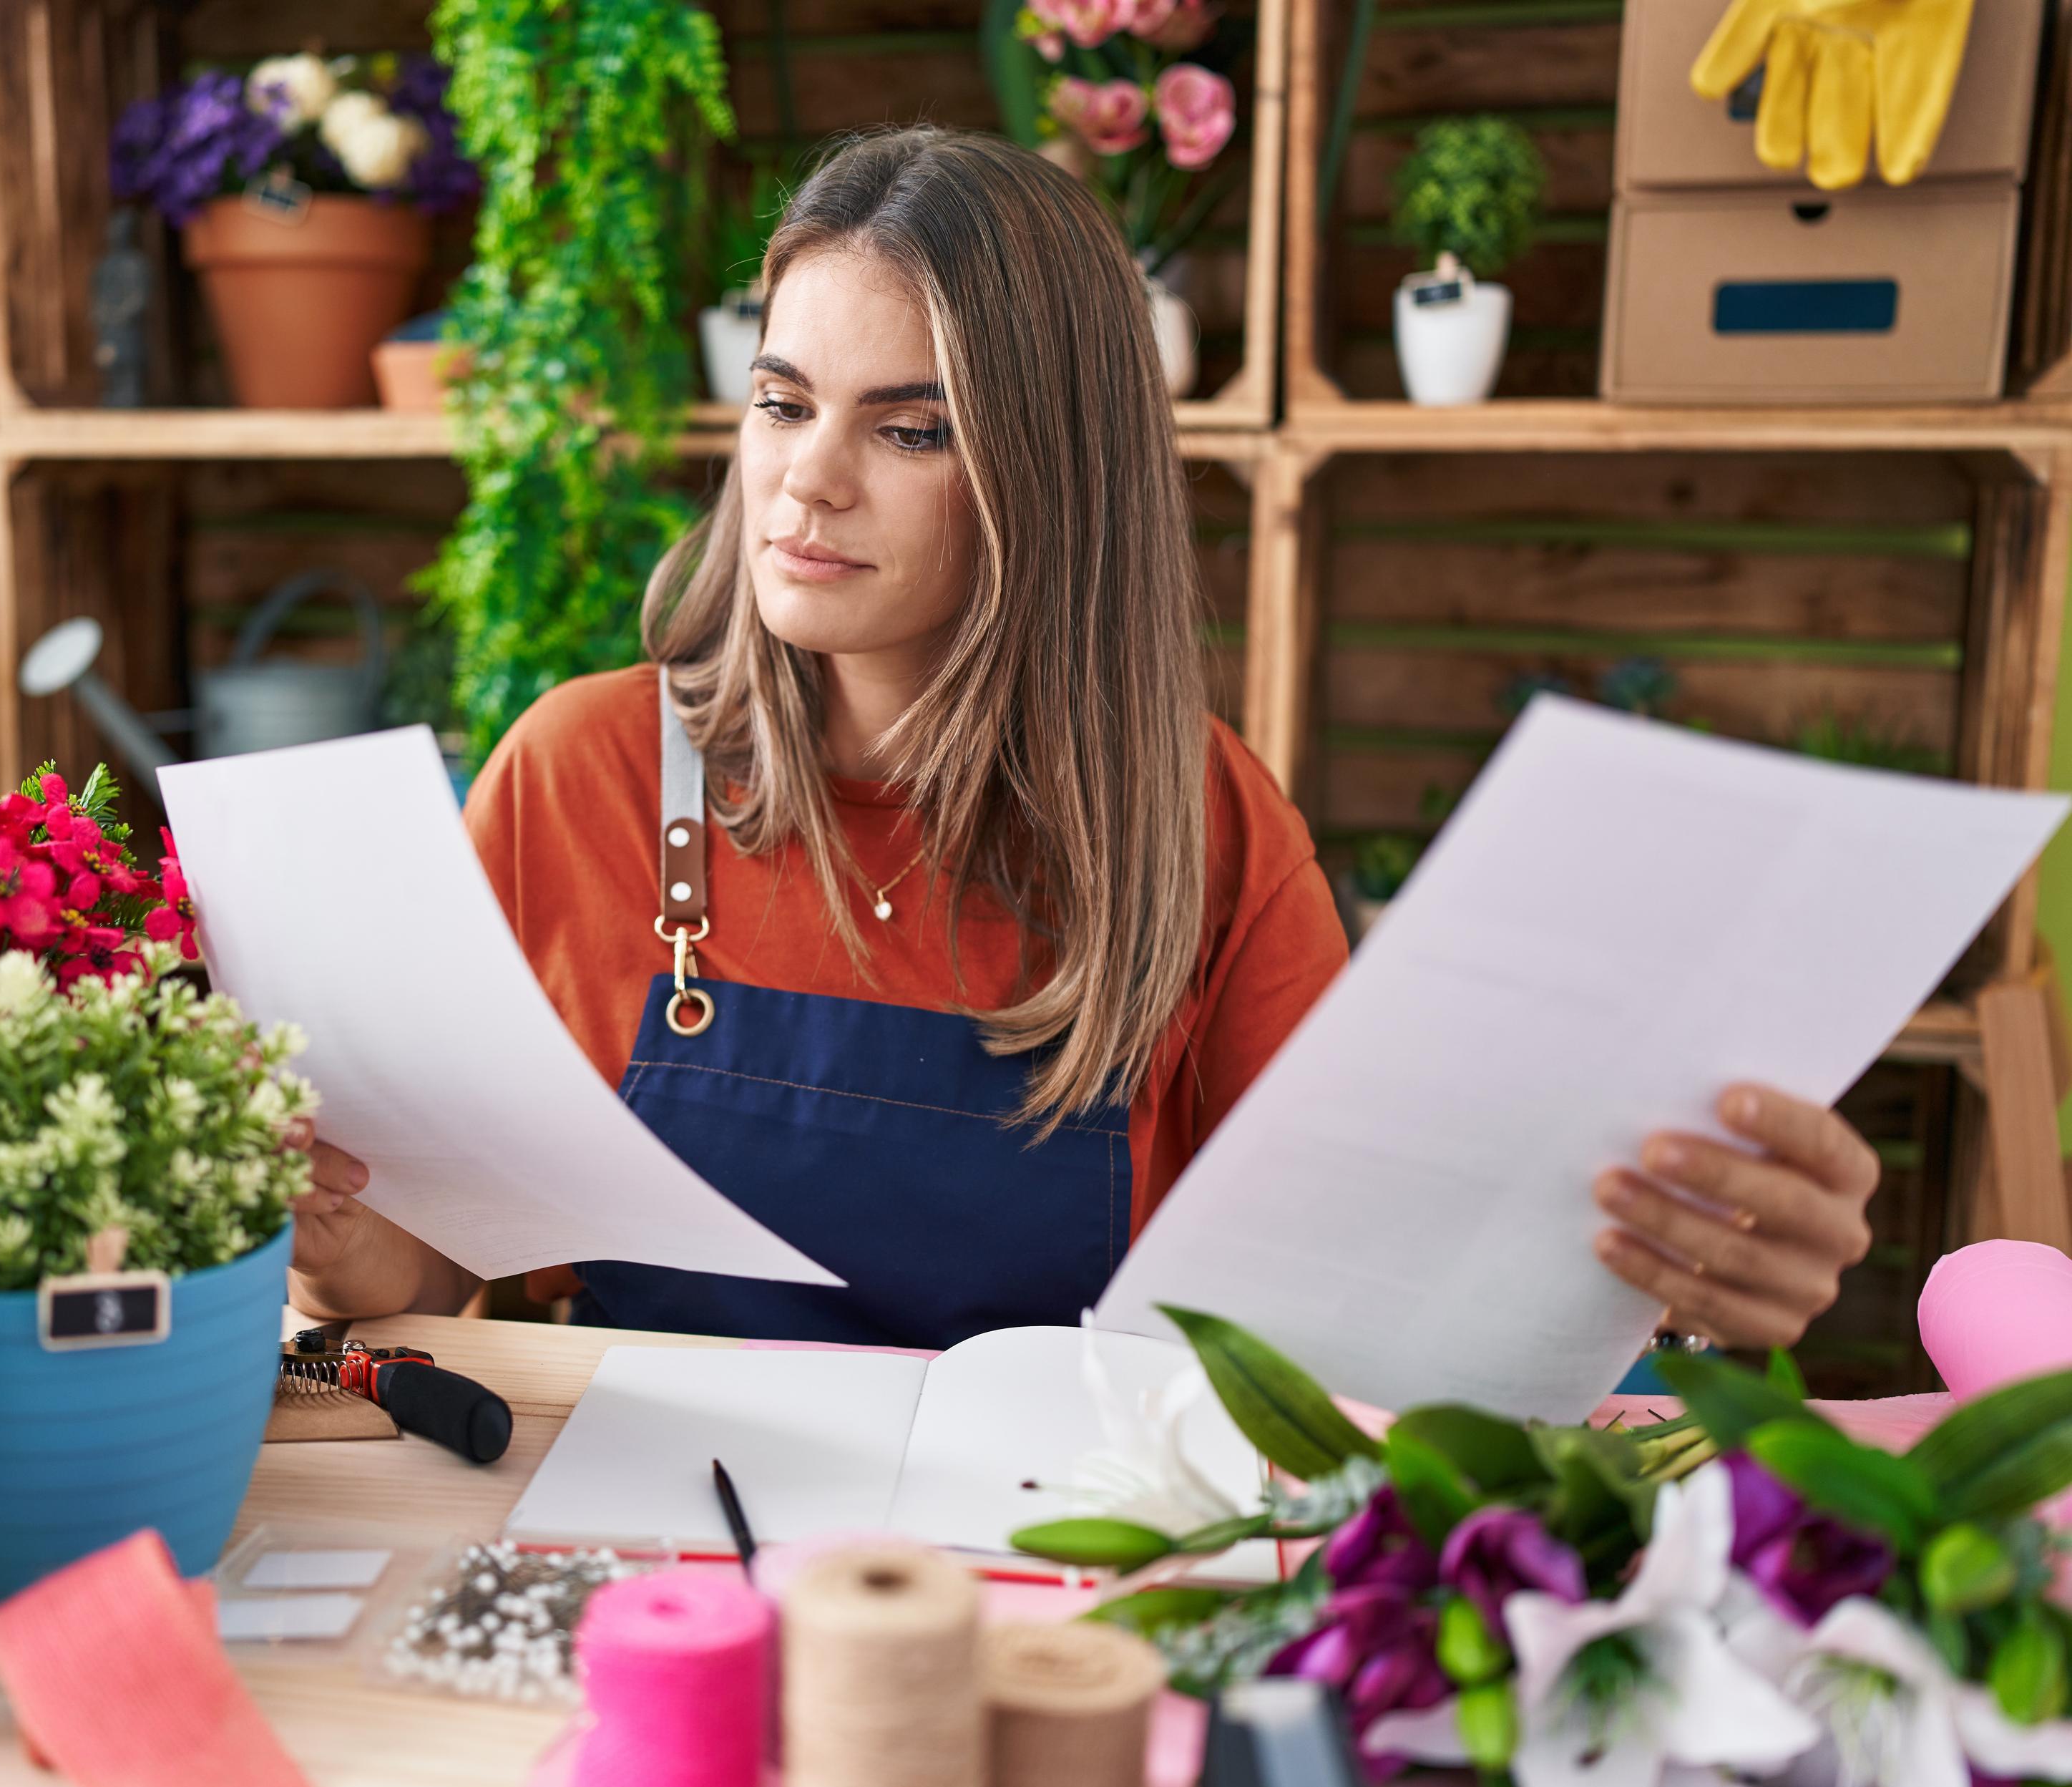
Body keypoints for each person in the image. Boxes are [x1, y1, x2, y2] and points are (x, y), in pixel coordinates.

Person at [286, 126, 1877, 1353]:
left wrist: (1666, 1275)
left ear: (1056, 476)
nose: (808, 481)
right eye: (783, 402)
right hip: (655, 1557)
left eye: (910, 428)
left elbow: (1366, 1312)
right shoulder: (583, 776)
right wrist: (337, 1236)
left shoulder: (1204, 826)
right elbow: (443, 1262)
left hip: (1060, 1583)